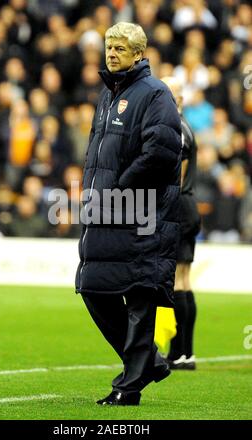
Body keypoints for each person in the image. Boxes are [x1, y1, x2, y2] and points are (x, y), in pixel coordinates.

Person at [75, 22, 182, 406]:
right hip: (104, 211)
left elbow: (163, 152)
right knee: (93, 286)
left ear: (139, 54)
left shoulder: (156, 94)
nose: (112, 53)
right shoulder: (108, 95)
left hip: (141, 214)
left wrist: (120, 187)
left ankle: (129, 386)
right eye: (108, 47)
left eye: (120, 48)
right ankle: (149, 362)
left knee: (139, 294)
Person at [161, 77, 201, 370]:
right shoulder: (184, 127)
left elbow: (176, 176)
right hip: (188, 206)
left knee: (176, 280)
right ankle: (186, 352)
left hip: (179, 207)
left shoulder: (178, 131)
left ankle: (178, 352)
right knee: (184, 280)